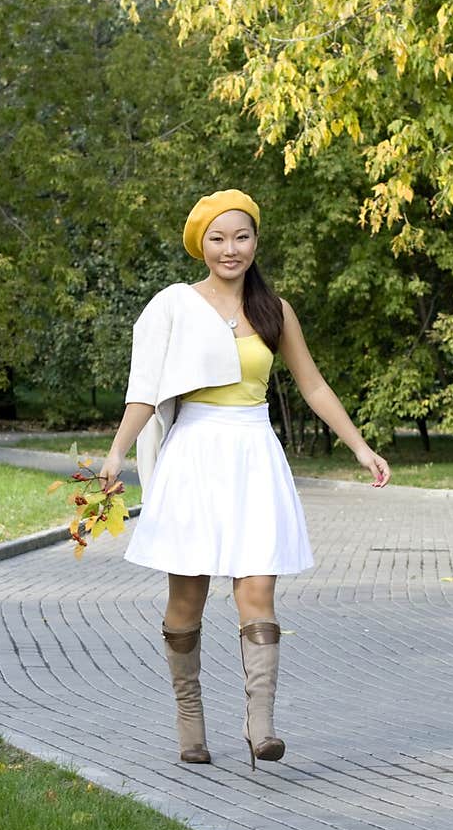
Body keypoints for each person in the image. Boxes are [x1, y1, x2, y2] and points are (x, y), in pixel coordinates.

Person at [97, 188, 390, 770]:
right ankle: (190, 723)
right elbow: (145, 392)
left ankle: (262, 727)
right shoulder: (174, 307)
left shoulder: (273, 311)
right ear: (200, 245)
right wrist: (114, 458)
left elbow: (313, 385)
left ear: (255, 241)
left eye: (242, 236)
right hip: (193, 459)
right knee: (188, 597)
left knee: (257, 591)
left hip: (255, 454)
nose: (231, 249)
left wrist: (359, 446)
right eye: (218, 238)